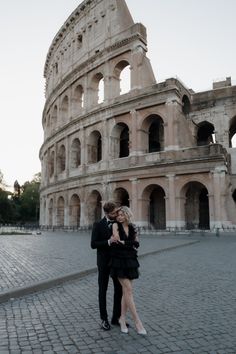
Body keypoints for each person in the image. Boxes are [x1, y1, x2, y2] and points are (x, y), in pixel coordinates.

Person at [110, 206, 147, 335]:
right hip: (118, 261)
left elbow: (136, 243)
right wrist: (128, 243)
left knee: (127, 292)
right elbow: (117, 241)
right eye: (118, 215)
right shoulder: (115, 225)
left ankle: (122, 318)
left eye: (121, 214)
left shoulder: (132, 227)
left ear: (127, 215)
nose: (119, 217)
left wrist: (126, 242)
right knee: (129, 291)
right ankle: (138, 322)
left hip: (131, 261)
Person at [91, 201, 122, 330]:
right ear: (107, 213)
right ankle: (104, 319)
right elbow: (93, 244)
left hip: (116, 261)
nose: (116, 215)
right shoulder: (98, 225)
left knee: (119, 290)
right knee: (103, 290)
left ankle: (116, 318)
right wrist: (109, 242)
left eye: (116, 212)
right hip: (103, 261)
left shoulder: (119, 223)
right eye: (113, 213)